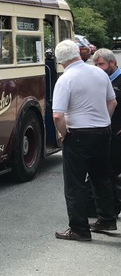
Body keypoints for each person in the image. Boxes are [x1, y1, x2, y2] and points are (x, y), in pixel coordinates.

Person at [52, 39, 117, 241]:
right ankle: (107, 218)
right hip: (102, 131)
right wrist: (103, 121)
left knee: (75, 184)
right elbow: (112, 101)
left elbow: (57, 115)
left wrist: (64, 134)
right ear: (79, 54)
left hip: (79, 133)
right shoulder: (99, 73)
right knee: (101, 178)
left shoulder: (65, 79)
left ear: (60, 60)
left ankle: (79, 229)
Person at [92, 48, 121, 216]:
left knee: (111, 172)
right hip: (107, 133)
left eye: (101, 64)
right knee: (108, 172)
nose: (97, 68)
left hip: (117, 132)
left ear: (112, 63)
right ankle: (111, 209)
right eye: (95, 64)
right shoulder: (100, 81)